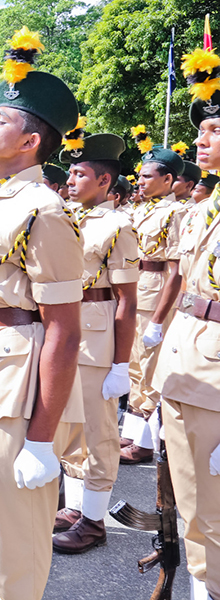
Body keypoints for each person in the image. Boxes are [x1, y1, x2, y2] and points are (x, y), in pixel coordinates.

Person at [0, 28, 84, 599]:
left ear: (31, 140)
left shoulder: (43, 209)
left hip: (20, 389)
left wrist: (41, 437)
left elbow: (63, 327)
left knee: (17, 546)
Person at [152, 48, 220, 600]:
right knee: (193, 506)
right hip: (186, 362)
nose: (200, 139)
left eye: (213, 129)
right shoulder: (204, 208)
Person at [51, 132, 139, 554]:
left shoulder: (118, 226)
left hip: (96, 336)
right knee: (67, 425)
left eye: (80, 173)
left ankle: (94, 519)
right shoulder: (67, 216)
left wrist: (121, 365)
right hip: (65, 330)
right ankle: (73, 507)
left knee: (98, 432)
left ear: (104, 182)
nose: (70, 180)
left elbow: (127, 301)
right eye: (69, 172)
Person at [120, 146, 185, 464]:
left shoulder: (176, 213)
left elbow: (176, 272)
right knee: (134, 367)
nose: (140, 181)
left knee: (150, 370)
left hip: (154, 296)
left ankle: (147, 443)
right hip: (136, 291)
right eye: (140, 175)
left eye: (148, 176)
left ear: (168, 179)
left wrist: (160, 319)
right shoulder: (143, 209)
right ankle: (132, 433)